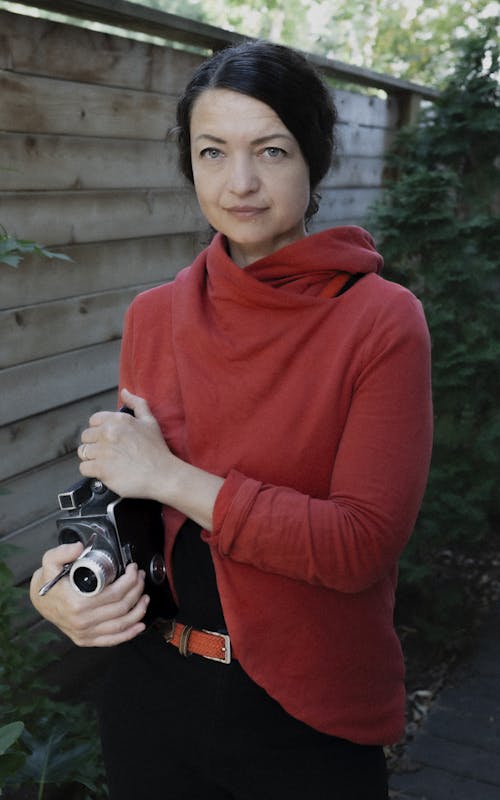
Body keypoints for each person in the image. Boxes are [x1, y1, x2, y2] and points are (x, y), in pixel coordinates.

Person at [30, 40, 433, 800]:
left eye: (271, 151)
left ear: (314, 157)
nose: (239, 182)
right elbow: (129, 507)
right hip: (152, 697)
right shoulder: (156, 315)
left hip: (306, 714)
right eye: (212, 152)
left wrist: (170, 476)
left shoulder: (381, 321)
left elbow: (359, 545)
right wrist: (59, 585)